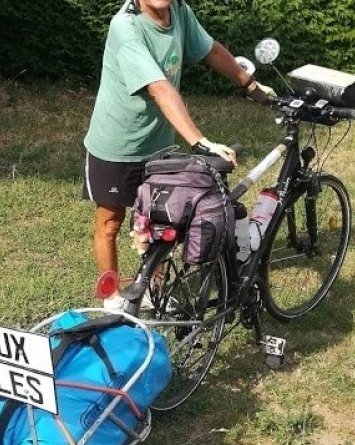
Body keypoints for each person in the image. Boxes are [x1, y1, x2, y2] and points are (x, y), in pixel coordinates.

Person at [83, 0, 274, 310]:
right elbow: (160, 88)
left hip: (158, 143)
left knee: (162, 220)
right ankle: (111, 296)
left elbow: (211, 50)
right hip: (117, 143)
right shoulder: (126, 26)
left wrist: (249, 84)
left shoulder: (180, 11)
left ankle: (152, 289)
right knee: (110, 223)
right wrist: (199, 141)